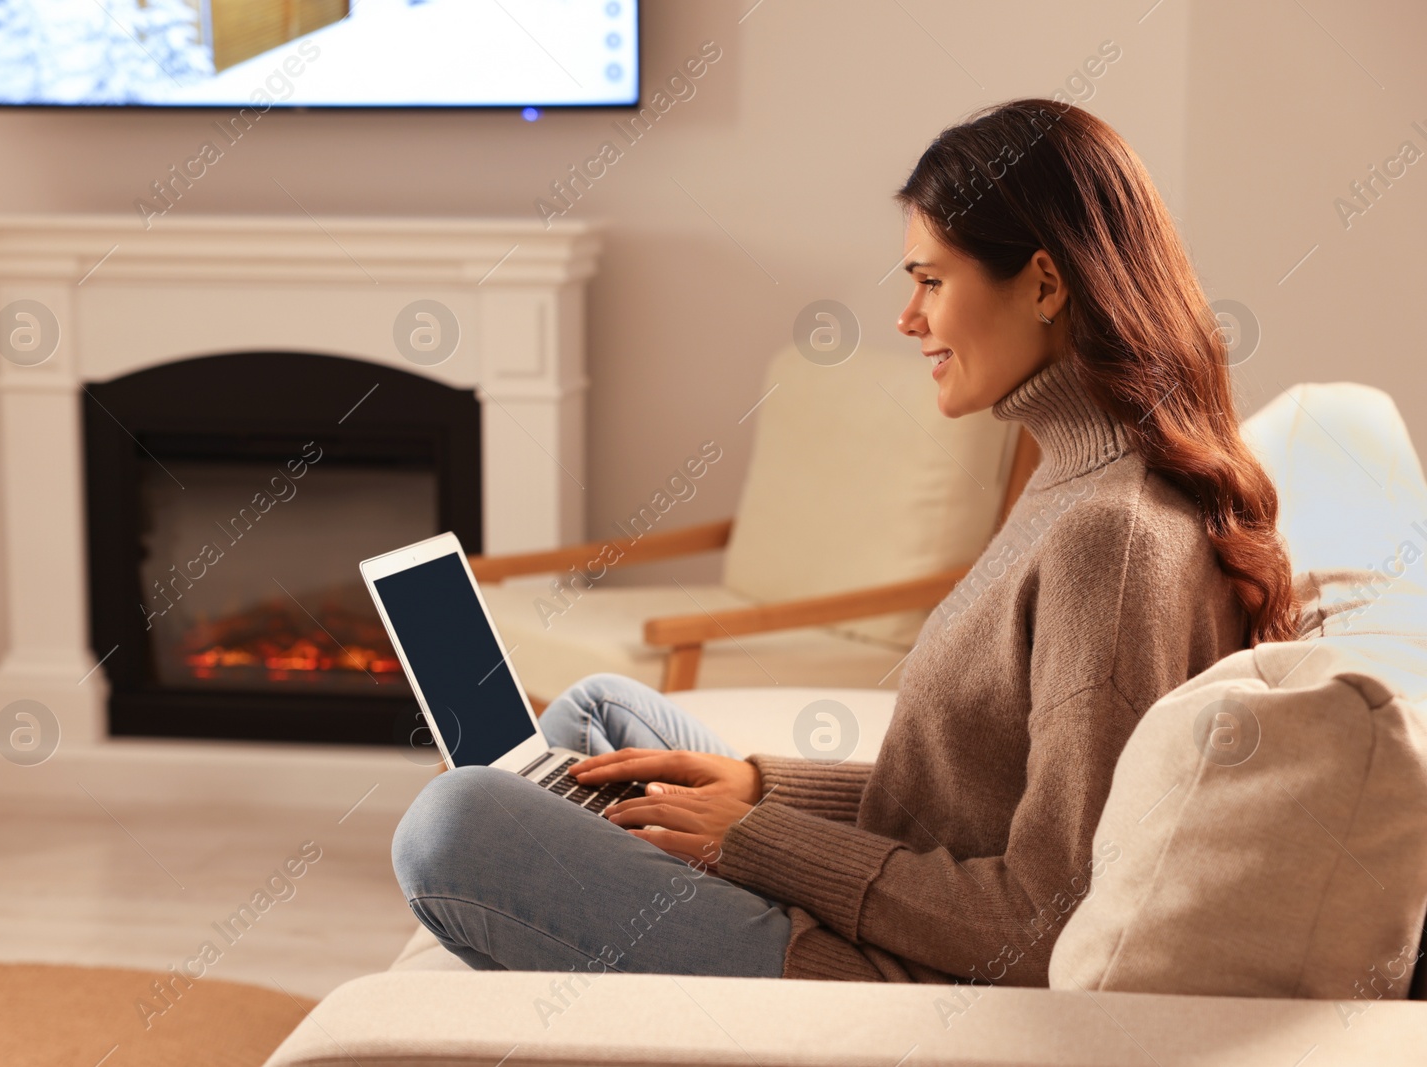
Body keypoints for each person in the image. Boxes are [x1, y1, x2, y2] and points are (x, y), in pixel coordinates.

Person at [391, 98, 1302, 985]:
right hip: (894, 904)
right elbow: (970, 790)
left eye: (931, 280)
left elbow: (1045, 920)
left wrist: (755, 840)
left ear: (1044, 283)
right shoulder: (1077, 477)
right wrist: (757, 787)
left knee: (453, 822)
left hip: (881, 972)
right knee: (599, 715)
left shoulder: (1113, 539)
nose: (908, 319)